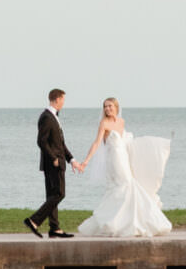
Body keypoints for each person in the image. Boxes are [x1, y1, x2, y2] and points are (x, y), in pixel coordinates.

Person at [74, 97, 172, 239]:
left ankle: (125, 221)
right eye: (105, 107)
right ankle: (119, 222)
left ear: (116, 107)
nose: (107, 109)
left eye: (110, 106)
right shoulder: (104, 123)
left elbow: (125, 142)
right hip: (113, 160)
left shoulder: (121, 122)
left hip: (123, 158)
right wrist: (86, 161)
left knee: (127, 186)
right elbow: (96, 143)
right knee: (124, 186)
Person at [25, 89, 83, 238]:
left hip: (57, 162)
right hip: (53, 163)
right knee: (59, 194)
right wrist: (54, 158)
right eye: (63, 100)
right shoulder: (46, 117)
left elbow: (60, 144)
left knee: (52, 195)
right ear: (57, 99)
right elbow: (41, 142)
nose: (64, 103)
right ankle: (33, 220)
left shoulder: (53, 117)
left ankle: (54, 228)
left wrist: (72, 160)